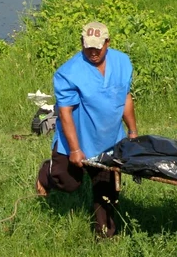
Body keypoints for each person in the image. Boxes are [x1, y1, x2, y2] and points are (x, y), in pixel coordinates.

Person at [35, 21, 138, 238]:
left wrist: (132, 132)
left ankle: (105, 236)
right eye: (88, 46)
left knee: (107, 192)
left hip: (110, 140)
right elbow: (65, 113)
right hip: (77, 140)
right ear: (81, 43)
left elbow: (125, 97)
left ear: (107, 43)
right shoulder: (68, 73)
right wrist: (74, 149)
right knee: (69, 183)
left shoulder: (123, 63)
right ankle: (47, 173)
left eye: (97, 47)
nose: (93, 52)